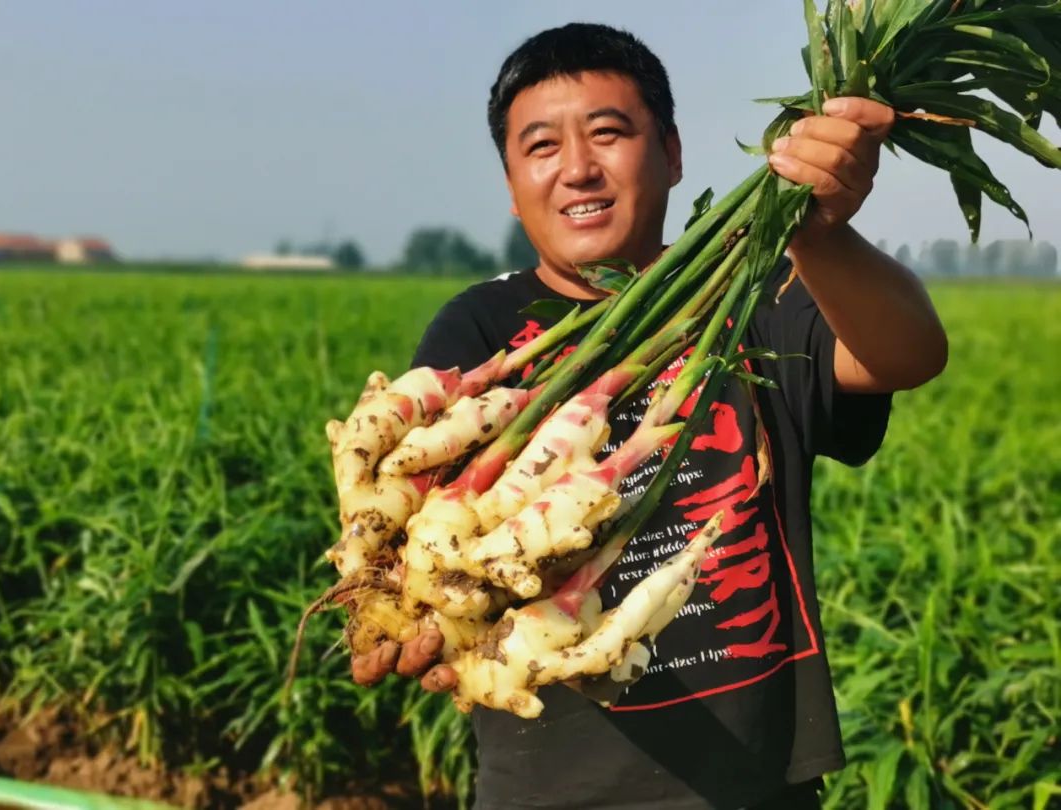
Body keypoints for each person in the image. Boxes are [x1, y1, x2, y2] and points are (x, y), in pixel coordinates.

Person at [351, 23, 947, 810]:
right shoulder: (484, 328)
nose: (576, 169)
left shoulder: (761, 302)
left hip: (755, 783)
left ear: (670, 153)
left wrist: (817, 232)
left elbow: (907, 355)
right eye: (540, 147)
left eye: (608, 133)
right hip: (546, 790)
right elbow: (427, 508)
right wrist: (412, 599)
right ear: (510, 183)